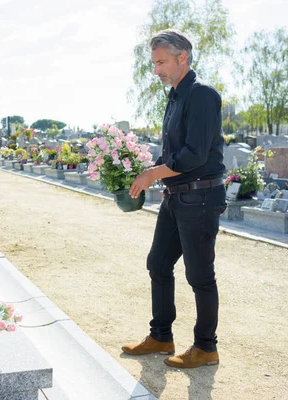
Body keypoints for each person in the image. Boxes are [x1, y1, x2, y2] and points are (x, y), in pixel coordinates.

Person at [121, 29, 226, 368]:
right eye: (154, 63)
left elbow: (195, 154)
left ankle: (206, 347)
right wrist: (148, 169)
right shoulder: (176, 96)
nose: (156, 71)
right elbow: (176, 151)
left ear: (183, 58)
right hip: (176, 197)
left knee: (199, 276)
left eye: (161, 62)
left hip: (200, 197)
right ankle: (161, 336)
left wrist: (153, 174)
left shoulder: (202, 95)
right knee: (158, 264)